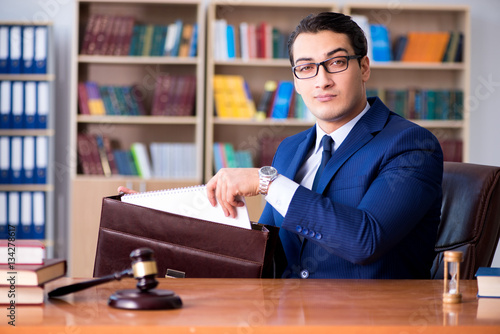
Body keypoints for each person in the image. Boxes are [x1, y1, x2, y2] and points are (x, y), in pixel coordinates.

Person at [205, 12, 443, 279]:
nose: (322, 80)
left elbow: (366, 240)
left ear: (364, 67)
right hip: (286, 313)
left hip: (372, 316)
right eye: (306, 68)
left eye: (337, 62)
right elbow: (271, 255)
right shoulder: (289, 148)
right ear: (295, 81)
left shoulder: (412, 145)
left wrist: (268, 183)